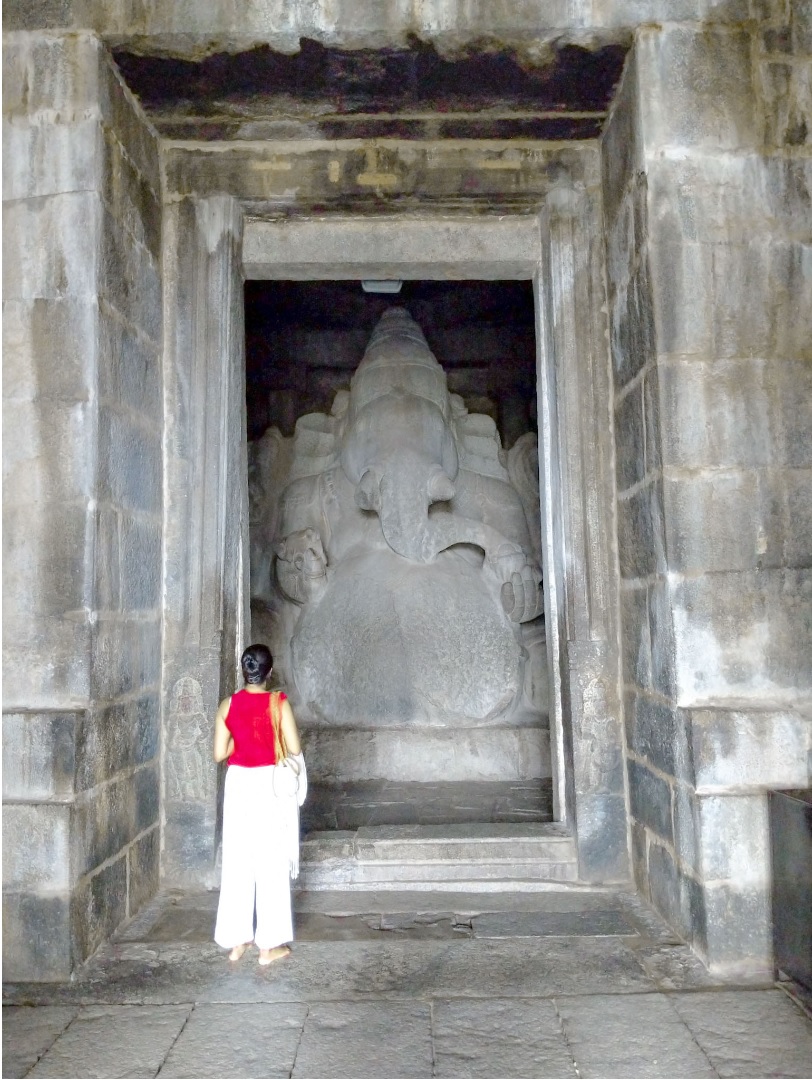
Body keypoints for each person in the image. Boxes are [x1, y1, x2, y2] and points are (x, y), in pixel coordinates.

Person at [213, 643, 307, 965]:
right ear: (269, 671)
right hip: (268, 784)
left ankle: (237, 941)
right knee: (271, 860)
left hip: (238, 783)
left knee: (238, 860)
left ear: (245, 671)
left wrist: (242, 740)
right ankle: (269, 946)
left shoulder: (228, 705)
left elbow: (219, 753)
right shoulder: (277, 703)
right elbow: (294, 747)